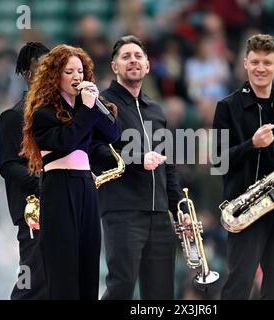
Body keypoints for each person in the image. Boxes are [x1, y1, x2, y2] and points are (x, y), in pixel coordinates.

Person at [89, 35, 190, 300]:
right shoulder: (102, 105)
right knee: (121, 287)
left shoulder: (156, 110)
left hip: (159, 216)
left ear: (147, 65)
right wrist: (137, 158)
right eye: (126, 56)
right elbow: (95, 152)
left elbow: (167, 166)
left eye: (138, 56)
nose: (133, 60)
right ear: (114, 66)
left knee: (161, 294)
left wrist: (179, 207)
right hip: (122, 212)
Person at [20, 44, 120, 299]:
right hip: (59, 185)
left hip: (85, 185)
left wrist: (96, 104)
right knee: (63, 264)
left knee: (88, 259)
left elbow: (113, 134)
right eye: (69, 71)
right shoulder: (43, 113)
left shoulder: (84, 107)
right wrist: (87, 111)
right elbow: (66, 141)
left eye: (80, 71)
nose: (77, 77)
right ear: (55, 75)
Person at [212, 34, 274, 300]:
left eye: (267, 62)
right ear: (245, 63)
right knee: (239, 285)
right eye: (255, 62)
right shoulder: (227, 106)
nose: (260, 68)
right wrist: (251, 144)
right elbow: (218, 160)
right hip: (246, 209)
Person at [0, 42, 49, 299]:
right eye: (43, 69)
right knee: (33, 284)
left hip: (63, 207)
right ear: (28, 75)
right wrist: (46, 182)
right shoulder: (14, 116)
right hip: (34, 213)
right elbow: (8, 166)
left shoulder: (62, 115)